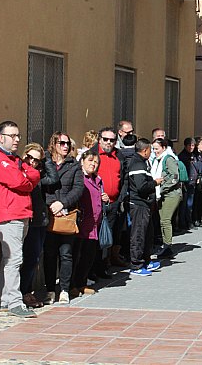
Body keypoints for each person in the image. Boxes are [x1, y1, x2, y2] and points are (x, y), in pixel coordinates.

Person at [0, 121, 40, 318]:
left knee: (12, 259)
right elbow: (19, 181)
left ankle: (5, 300)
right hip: (9, 215)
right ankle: (15, 302)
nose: (17, 139)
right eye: (13, 136)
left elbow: (33, 174)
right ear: (1, 138)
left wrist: (24, 175)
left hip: (22, 213)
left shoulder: (15, 160)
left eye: (18, 135)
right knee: (14, 259)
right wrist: (24, 178)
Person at [43, 132, 84, 304]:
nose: (65, 146)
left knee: (66, 254)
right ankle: (50, 289)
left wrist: (63, 204)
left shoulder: (74, 166)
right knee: (49, 254)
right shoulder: (46, 163)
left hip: (67, 215)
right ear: (54, 144)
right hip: (49, 214)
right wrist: (53, 204)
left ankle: (65, 290)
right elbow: (41, 185)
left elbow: (78, 189)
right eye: (62, 143)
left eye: (68, 144)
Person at [20, 143, 59, 309]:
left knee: (34, 258)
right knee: (26, 258)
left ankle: (26, 291)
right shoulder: (20, 171)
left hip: (39, 220)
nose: (32, 162)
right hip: (26, 218)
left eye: (36, 160)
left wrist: (47, 158)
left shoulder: (38, 175)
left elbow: (54, 178)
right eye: (29, 158)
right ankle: (24, 291)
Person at [90, 127, 129, 275]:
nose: (108, 142)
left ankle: (103, 267)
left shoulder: (119, 156)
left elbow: (124, 178)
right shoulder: (92, 154)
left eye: (112, 140)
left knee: (108, 235)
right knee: (94, 237)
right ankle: (92, 269)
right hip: (96, 203)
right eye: (105, 139)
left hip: (113, 203)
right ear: (99, 139)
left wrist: (120, 198)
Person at [72, 150, 109, 297]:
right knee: (77, 256)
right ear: (82, 162)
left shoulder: (97, 180)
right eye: (90, 161)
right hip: (81, 224)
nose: (93, 164)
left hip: (94, 225)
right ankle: (72, 285)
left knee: (88, 256)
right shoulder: (79, 178)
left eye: (96, 162)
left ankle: (81, 283)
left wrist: (104, 198)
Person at [128, 139, 161, 276]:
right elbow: (141, 187)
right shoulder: (137, 164)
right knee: (139, 234)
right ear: (145, 150)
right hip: (139, 204)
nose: (152, 152)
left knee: (148, 234)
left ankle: (146, 261)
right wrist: (155, 182)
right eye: (150, 150)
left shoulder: (142, 162)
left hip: (146, 204)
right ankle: (136, 265)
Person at [151, 138, 183, 258]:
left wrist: (162, 187)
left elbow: (175, 176)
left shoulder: (168, 159)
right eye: (153, 149)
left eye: (157, 148)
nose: (155, 151)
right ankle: (166, 244)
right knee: (162, 220)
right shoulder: (157, 160)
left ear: (164, 147)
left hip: (171, 193)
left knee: (165, 220)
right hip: (162, 193)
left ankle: (168, 246)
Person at [178, 138, 196, 231]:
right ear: (185, 146)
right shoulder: (182, 156)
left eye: (193, 145)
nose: (191, 147)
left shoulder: (193, 155)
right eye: (189, 145)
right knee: (185, 205)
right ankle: (184, 223)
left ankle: (189, 221)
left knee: (190, 204)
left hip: (192, 182)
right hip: (186, 183)